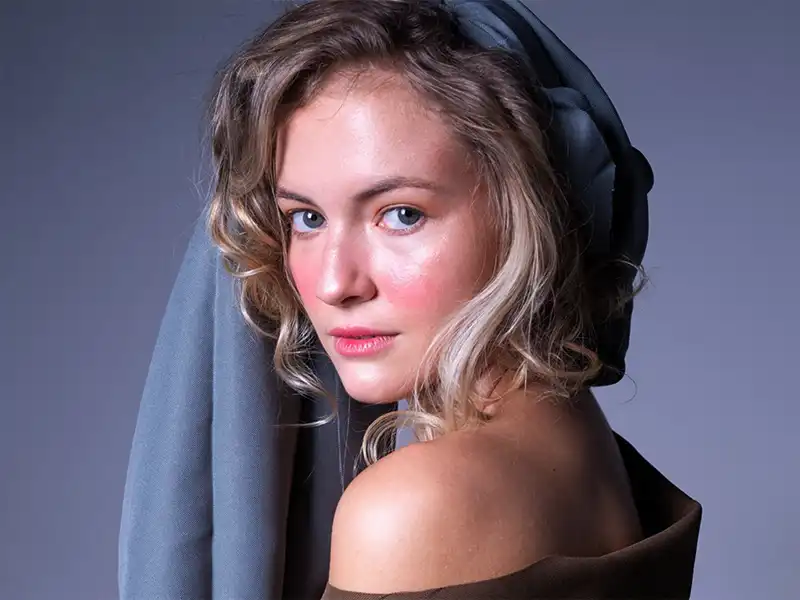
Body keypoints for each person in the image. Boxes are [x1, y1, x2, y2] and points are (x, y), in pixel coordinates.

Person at [119, 1, 701, 599]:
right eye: (307, 218)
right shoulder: (577, 441)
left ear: (526, 215)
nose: (335, 283)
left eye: (401, 214)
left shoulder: (414, 505)